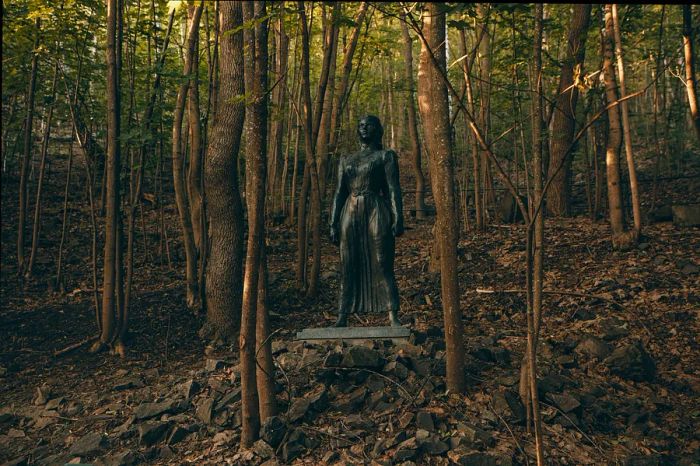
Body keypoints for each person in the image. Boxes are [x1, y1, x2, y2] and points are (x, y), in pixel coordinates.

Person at [329, 115, 404, 327]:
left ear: (378, 129)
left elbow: (392, 189)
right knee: (347, 262)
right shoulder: (346, 159)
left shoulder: (385, 156)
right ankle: (342, 315)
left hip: (375, 209)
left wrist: (398, 217)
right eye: (360, 125)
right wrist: (333, 222)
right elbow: (339, 193)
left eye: (368, 125)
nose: (364, 129)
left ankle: (392, 314)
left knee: (382, 261)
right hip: (350, 211)